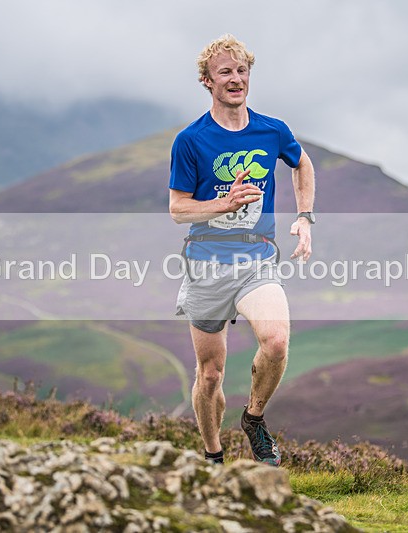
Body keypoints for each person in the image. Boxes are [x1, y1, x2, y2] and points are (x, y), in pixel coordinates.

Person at [169, 34, 315, 466]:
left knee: (276, 341)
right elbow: (178, 209)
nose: (235, 80)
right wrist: (224, 204)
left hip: (257, 258)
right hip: (206, 263)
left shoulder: (272, 130)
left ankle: (253, 418)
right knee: (210, 375)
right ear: (207, 81)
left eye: (241, 71)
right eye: (225, 73)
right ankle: (213, 456)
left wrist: (305, 217)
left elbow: (302, 163)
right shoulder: (191, 140)